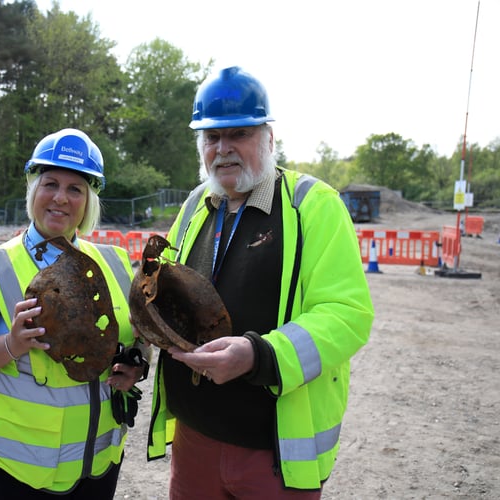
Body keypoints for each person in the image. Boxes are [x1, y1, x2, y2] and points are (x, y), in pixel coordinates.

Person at [145, 66, 375, 498]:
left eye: (239, 135)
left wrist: (258, 354)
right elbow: (163, 293)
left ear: (268, 138)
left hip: (272, 451)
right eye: (212, 138)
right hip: (194, 439)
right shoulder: (197, 204)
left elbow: (347, 315)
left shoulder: (314, 206)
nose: (223, 149)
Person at [0, 128, 149, 499]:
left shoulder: (113, 263)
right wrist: (10, 344)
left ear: (88, 200)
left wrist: (137, 365)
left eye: (75, 189)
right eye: (51, 184)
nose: (61, 199)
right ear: (34, 188)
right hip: (13, 475)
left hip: (97, 469)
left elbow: (137, 341)